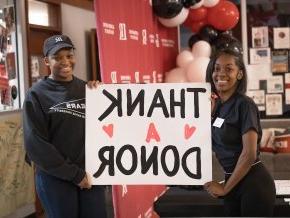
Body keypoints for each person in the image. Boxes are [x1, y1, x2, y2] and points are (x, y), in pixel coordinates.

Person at [23, 34, 107, 218]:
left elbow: (105, 127)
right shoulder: (36, 95)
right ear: (46, 61)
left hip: (90, 173)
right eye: (57, 57)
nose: (65, 61)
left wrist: (103, 94)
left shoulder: (88, 89)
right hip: (56, 178)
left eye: (69, 55)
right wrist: (74, 175)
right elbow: (36, 145)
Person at [204, 41, 276, 216]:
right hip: (232, 180)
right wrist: (210, 114)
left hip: (253, 183)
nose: (220, 73)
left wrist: (225, 188)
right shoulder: (218, 107)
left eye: (229, 69)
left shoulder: (245, 105)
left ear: (239, 74)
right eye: (217, 68)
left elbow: (249, 153)